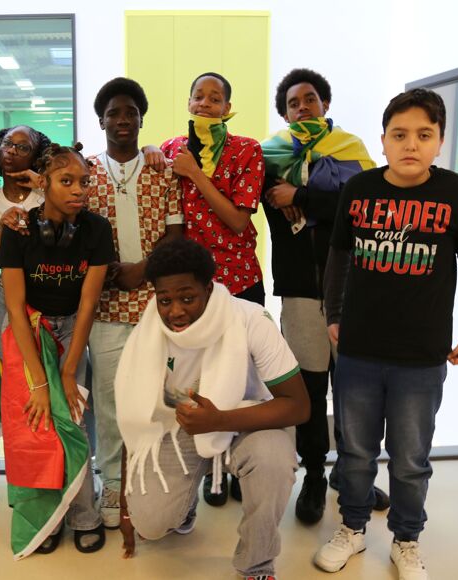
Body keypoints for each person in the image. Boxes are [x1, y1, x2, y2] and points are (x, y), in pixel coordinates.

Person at [314, 88, 458, 580]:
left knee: (411, 460)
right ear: (383, 141)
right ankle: (352, 528)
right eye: (399, 135)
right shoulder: (359, 190)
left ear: (440, 141)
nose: (411, 144)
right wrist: (334, 313)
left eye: (423, 135)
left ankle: (406, 540)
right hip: (358, 351)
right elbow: (338, 257)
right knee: (355, 453)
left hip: (421, 357)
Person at [116, 238, 309, 580]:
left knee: (274, 460)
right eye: (165, 300)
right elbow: (134, 418)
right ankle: (185, 505)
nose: (175, 311)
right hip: (182, 425)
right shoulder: (148, 332)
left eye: (187, 298)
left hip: (248, 421)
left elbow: (298, 406)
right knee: (151, 524)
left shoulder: (250, 319)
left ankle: (256, 564)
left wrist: (219, 420)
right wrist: (125, 505)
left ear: (208, 288)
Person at [260, 68, 387, 524]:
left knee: (354, 389)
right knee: (310, 389)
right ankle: (314, 474)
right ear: (285, 113)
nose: (302, 108)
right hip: (299, 291)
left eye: (309, 99)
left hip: (353, 288)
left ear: (325, 104)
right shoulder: (271, 156)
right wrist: (299, 196)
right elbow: (269, 201)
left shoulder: (351, 150)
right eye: (293, 103)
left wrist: (301, 194)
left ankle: (352, 475)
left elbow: (365, 208)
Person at [0, 142, 114, 558]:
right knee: (37, 422)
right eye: (66, 181)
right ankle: (46, 516)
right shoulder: (18, 229)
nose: (78, 190)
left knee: (74, 421)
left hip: (74, 328)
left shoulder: (96, 230)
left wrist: (66, 372)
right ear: (43, 183)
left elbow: (88, 302)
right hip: (29, 329)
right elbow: (14, 307)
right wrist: (40, 382)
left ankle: (83, 514)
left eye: (84, 181)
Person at [161, 71, 266, 506]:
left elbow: (239, 220)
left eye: (215, 97)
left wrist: (195, 174)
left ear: (227, 108)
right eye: (198, 96)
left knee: (243, 382)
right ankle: (210, 468)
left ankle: (241, 465)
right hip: (193, 291)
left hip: (239, 282)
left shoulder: (247, 150)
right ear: (188, 103)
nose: (205, 103)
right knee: (197, 380)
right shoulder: (171, 149)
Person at [86, 77, 184, 529]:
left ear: (142, 120)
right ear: (101, 121)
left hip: (154, 305)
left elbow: (175, 233)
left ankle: (164, 483)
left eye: (131, 112)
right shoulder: (86, 172)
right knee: (109, 402)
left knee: (160, 398)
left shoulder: (163, 172)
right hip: (104, 307)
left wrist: (142, 270)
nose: (122, 120)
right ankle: (111, 482)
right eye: (114, 113)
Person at [0, 125, 50, 358]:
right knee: (11, 365)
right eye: (7, 143)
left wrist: (43, 183)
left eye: (23, 147)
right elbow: (5, 253)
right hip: (9, 292)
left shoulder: (48, 196)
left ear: (35, 158)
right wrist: (6, 225)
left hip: (51, 287)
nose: (11, 150)